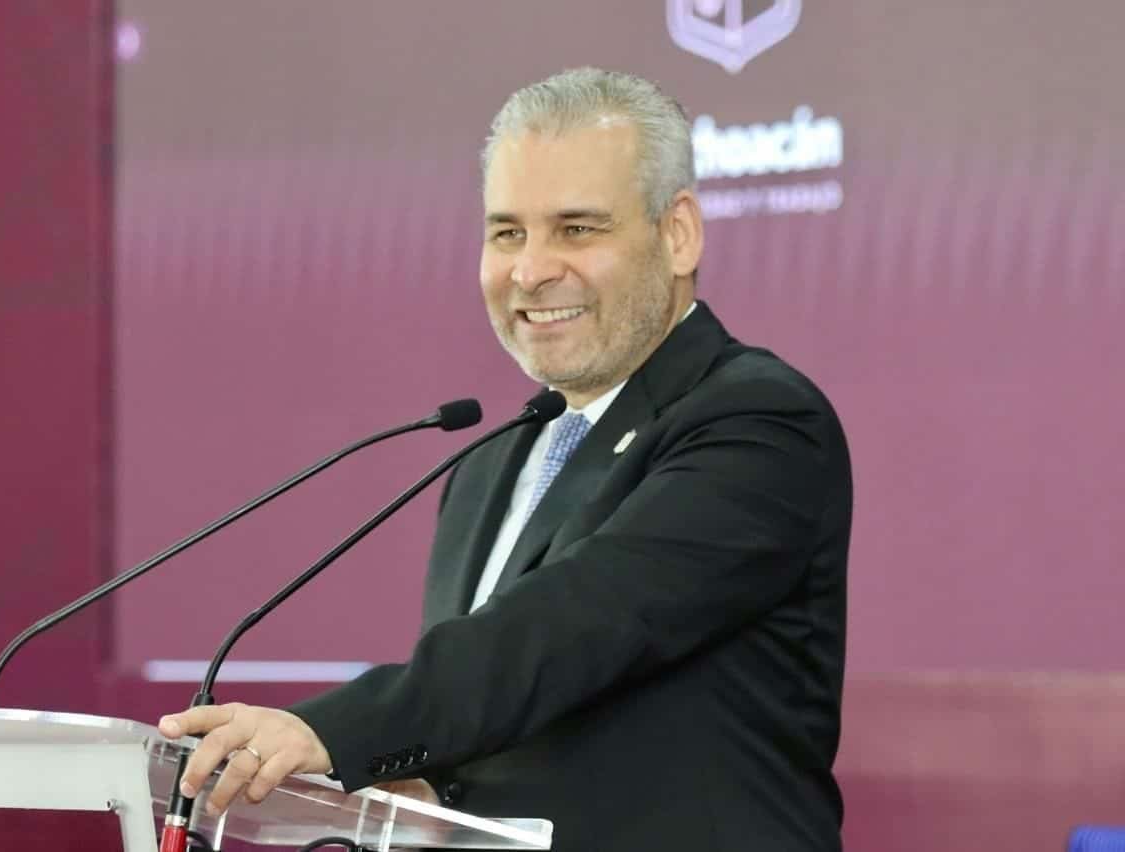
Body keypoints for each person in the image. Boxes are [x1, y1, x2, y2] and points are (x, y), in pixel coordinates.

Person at [158, 67, 852, 851]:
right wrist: (429, 789)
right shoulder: (489, 464)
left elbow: (572, 628)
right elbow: (508, 717)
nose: (530, 270)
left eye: (577, 229)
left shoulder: (759, 422)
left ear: (678, 234)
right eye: (507, 233)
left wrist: (333, 733)